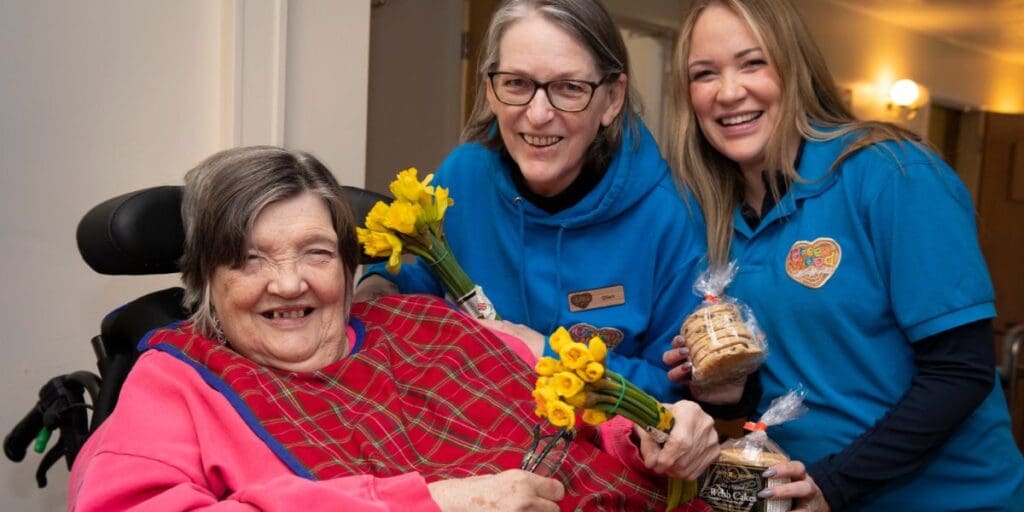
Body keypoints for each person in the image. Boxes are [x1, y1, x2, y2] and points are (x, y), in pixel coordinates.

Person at [67, 146, 723, 511]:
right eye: (249, 259)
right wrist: (430, 504)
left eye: (316, 253)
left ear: (350, 265)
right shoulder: (175, 381)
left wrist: (654, 434)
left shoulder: (428, 323)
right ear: (207, 277)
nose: (289, 283)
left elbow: (584, 418)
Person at [665, 0, 1024, 510]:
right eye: (705, 74)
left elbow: (960, 372)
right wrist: (727, 386)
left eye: (753, 63)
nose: (728, 92)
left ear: (795, 68)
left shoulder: (891, 174)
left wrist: (836, 483)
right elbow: (797, 378)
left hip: (950, 499)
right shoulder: (718, 218)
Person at [354, 0, 748, 408]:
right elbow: (418, 280)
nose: (538, 114)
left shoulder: (669, 216)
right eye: (517, 84)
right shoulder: (463, 176)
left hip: (609, 458)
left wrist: (543, 354)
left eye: (569, 88)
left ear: (612, 99)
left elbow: (678, 393)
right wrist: (376, 285)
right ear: (491, 90)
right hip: (468, 440)